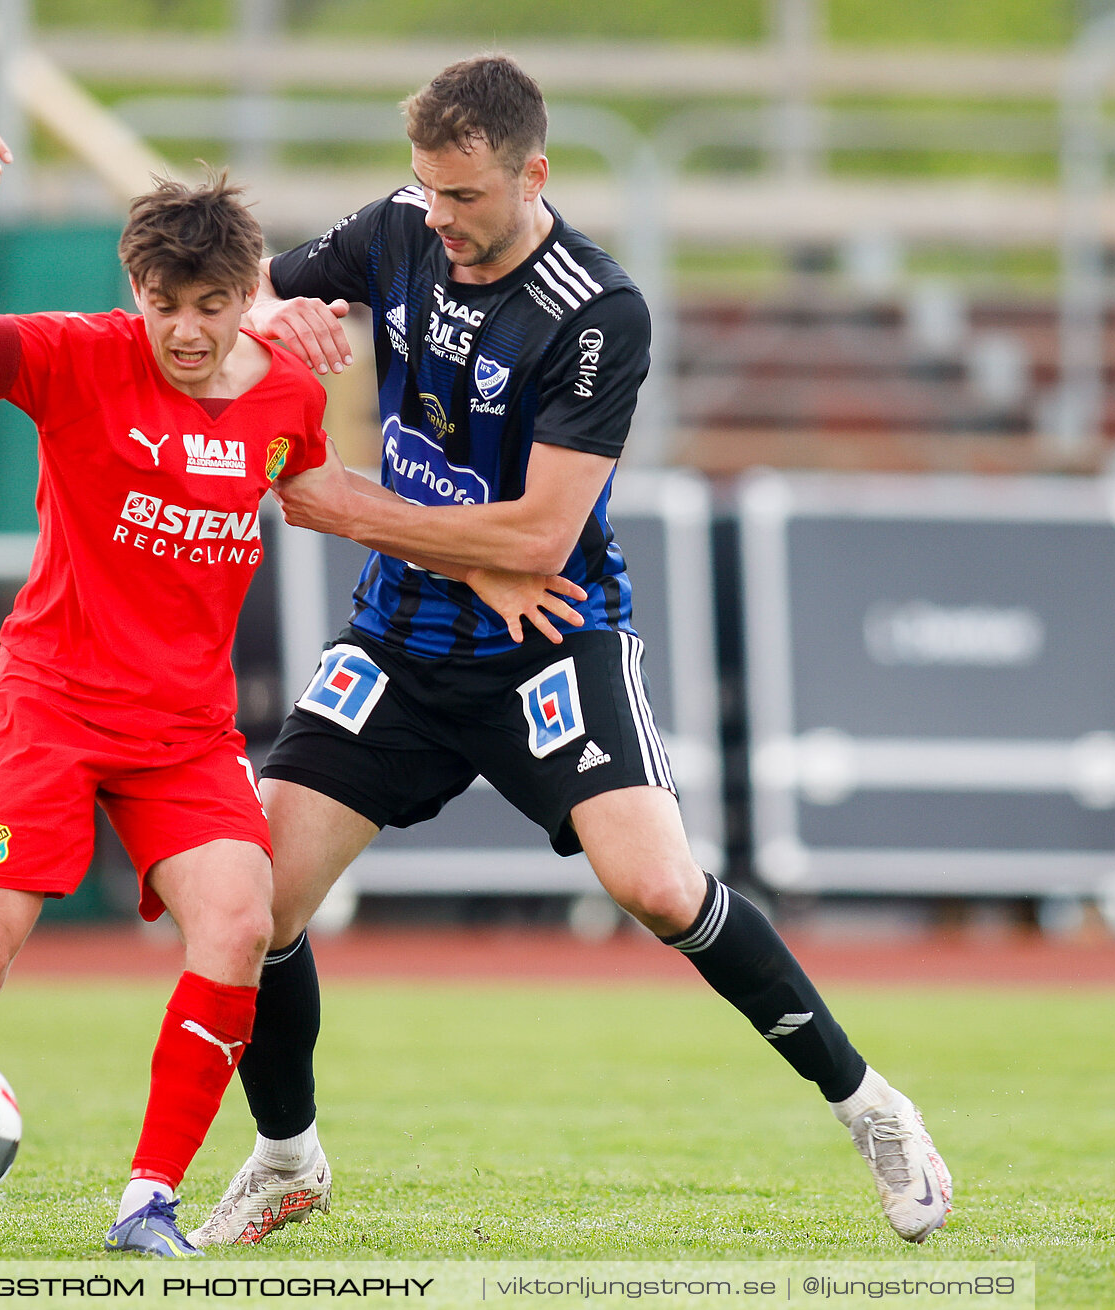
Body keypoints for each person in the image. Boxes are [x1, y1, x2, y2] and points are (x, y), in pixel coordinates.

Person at [188, 55, 955, 1249]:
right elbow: (211, 314)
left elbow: (540, 540)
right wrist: (264, 310)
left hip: (549, 635)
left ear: (532, 173)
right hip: (400, 634)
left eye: (465, 197)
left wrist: (348, 505)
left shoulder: (599, 310)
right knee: (254, 902)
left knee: (657, 886)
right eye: (427, 192)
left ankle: (872, 1107)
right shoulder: (394, 229)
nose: (439, 219)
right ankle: (287, 1155)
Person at [0, 134, 350, 1260]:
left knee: (241, 920)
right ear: (131, 289)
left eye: (210, 304)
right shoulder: (79, 355)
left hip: (187, 734)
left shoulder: (287, 391)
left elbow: (312, 482)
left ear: (247, 297)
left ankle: (150, 1201)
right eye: (162, 302)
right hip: (51, 707)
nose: (184, 330)